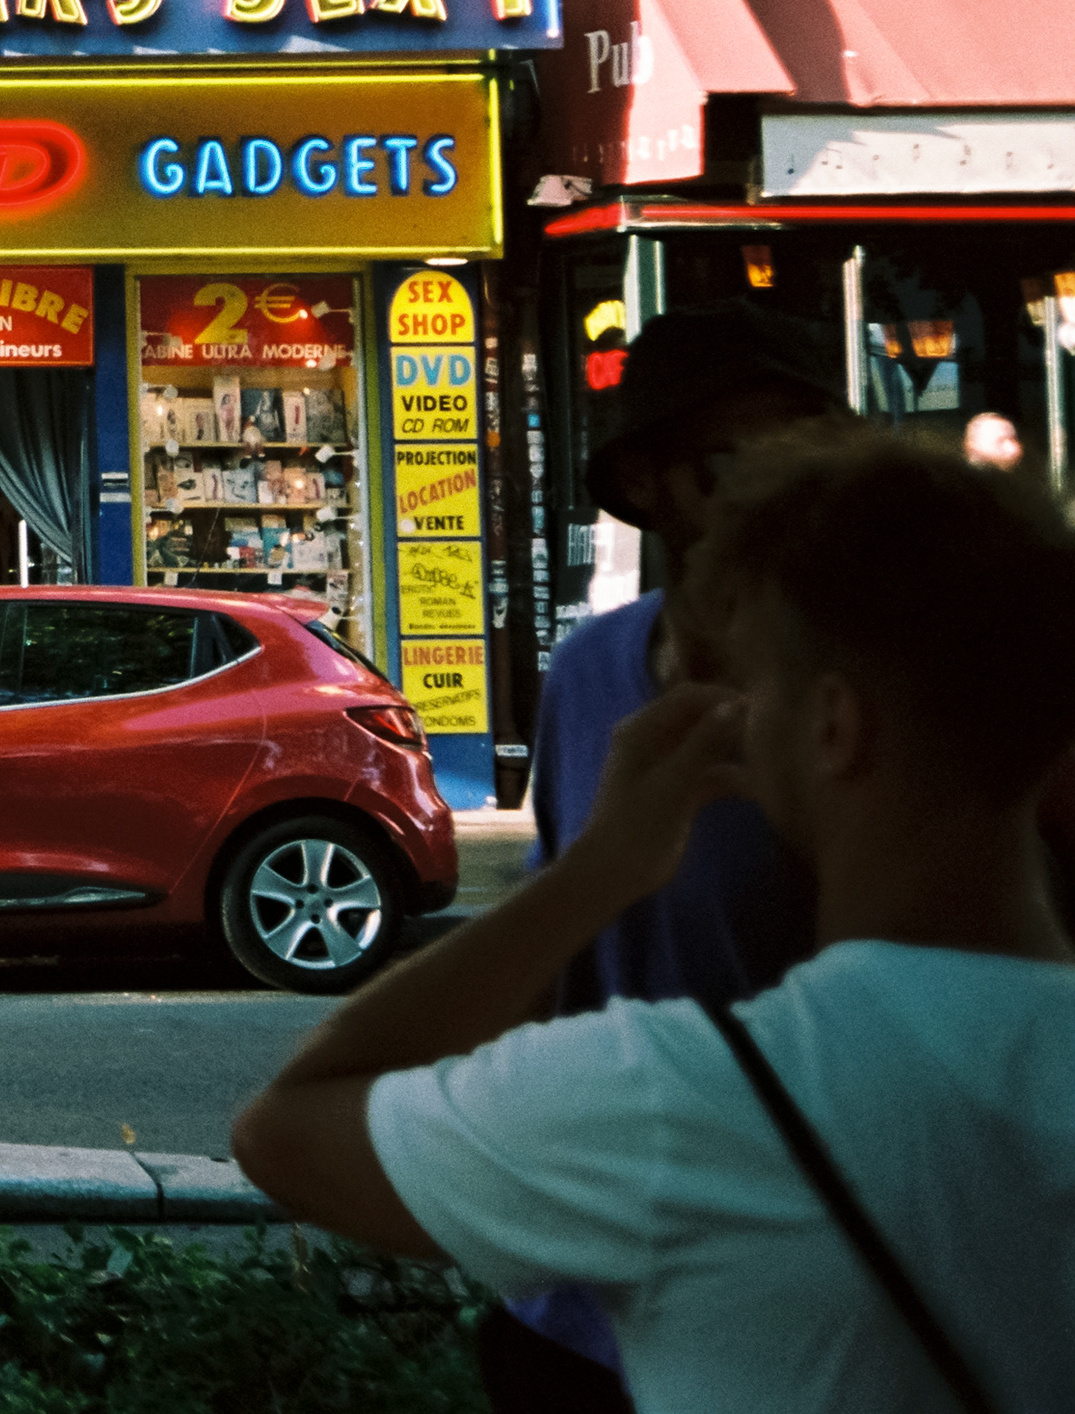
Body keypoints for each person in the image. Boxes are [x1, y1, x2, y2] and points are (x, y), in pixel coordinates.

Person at [233, 430, 1075, 1413]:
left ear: (833, 725)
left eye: (753, 686)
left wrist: (597, 871)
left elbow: (288, 1131)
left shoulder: (691, 1102)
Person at [483, 306, 843, 1406]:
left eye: (809, 453)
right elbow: (561, 951)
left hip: (790, 1287)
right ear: (645, 481)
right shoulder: (592, 670)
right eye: (734, 460)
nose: (776, 490)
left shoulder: (874, 684)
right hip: (583, 1291)